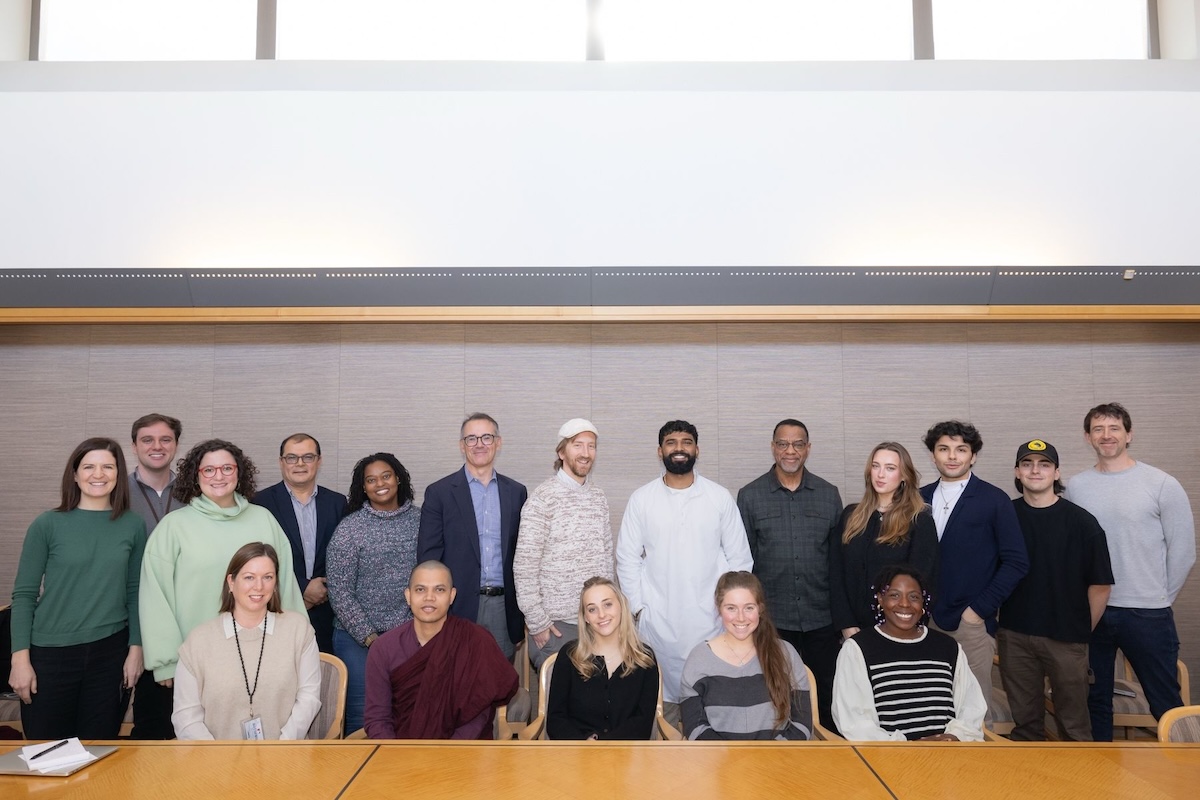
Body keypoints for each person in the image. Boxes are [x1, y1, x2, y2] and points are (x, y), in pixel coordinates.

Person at [1063, 403, 1196, 741]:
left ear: (1129, 434)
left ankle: (1185, 776)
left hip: (1147, 613)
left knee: (1165, 699)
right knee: (1095, 701)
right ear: (1087, 437)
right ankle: (1103, 780)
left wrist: (1160, 595)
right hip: (1093, 611)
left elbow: (1183, 552)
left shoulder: (1161, 484)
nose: (1106, 435)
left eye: (1114, 428)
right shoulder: (1077, 487)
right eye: (1098, 429)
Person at [616, 420, 753, 728]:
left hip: (711, 622)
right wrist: (639, 608)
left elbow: (740, 560)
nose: (679, 448)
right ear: (660, 451)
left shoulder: (719, 498)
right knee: (660, 710)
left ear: (697, 449)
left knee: (710, 707)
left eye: (686, 442)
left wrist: (729, 610)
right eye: (671, 442)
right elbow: (626, 557)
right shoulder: (642, 499)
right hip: (657, 622)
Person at [9, 437, 147, 739]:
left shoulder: (133, 526)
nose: (98, 474)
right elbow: (23, 596)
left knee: (99, 753)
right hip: (50, 654)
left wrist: (135, 649)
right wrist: (19, 660)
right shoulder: (47, 524)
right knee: (47, 754)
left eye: (107, 467)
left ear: (118, 474)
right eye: (89, 467)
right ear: (74, 474)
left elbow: (136, 592)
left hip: (110, 653)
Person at [139, 439, 306, 685]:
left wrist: (298, 647)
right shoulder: (173, 527)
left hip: (262, 657)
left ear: (239, 473)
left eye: (227, 468)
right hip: (195, 661)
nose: (219, 476)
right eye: (209, 470)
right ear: (196, 476)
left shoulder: (264, 520)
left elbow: (286, 589)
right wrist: (166, 662)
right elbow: (155, 597)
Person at [999, 439, 1113, 741]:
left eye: (1044, 464)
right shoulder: (1003, 518)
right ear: (1017, 472)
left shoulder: (1082, 523)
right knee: (1025, 727)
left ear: (1057, 473)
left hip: (1066, 639)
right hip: (1015, 637)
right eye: (1027, 464)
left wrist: (1079, 631)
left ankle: (1081, 787)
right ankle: (1031, 787)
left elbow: (1101, 585)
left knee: (1074, 727)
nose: (1035, 470)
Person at [737, 418, 843, 734]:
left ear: (808, 449)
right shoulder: (750, 495)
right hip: (774, 619)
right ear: (773, 448)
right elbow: (745, 565)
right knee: (774, 694)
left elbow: (837, 560)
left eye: (798, 444)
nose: (790, 451)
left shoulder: (828, 494)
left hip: (821, 617)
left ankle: (830, 758)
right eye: (783, 443)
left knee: (825, 695)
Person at [920, 420, 1028, 722]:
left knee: (974, 714)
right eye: (944, 449)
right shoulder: (918, 498)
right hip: (922, 623)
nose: (952, 456)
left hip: (970, 626)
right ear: (933, 455)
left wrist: (978, 611)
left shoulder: (993, 500)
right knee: (928, 708)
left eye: (961, 449)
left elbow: (1017, 562)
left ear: (973, 456)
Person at [172, 542, 320, 740]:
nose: (259, 586)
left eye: (267, 577)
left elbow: (309, 698)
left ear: (275, 584)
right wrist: (217, 760)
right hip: (216, 763)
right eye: (249, 577)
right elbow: (186, 717)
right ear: (231, 582)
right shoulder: (198, 642)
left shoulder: (299, 630)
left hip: (285, 759)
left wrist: (281, 749)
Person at [362, 561, 519, 739]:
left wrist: (445, 754)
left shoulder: (474, 640)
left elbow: (478, 713)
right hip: (401, 753)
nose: (429, 597)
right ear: (408, 596)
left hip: (464, 753)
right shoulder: (384, 648)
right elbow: (377, 719)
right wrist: (396, 757)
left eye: (439, 590)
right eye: (420, 589)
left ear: (452, 596)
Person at [418, 413, 527, 659]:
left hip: (503, 606)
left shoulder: (517, 492)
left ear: (498, 443)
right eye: (471, 438)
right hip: (456, 605)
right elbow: (428, 558)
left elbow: (524, 555)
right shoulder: (440, 493)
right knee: (454, 684)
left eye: (486, 437)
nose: (479, 444)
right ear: (462, 445)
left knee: (499, 687)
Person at [832, 565, 985, 742]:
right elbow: (855, 722)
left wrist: (953, 737)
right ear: (881, 599)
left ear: (922, 603)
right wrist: (908, 748)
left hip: (949, 756)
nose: (904, 604)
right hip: (889, 759)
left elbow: (971, 705)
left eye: (914, 597)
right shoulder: (858, 648)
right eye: (894, 595)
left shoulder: (948, 647)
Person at [326, 452, 421, 735]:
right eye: (371, 480)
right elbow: (340, 591)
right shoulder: (350, 529)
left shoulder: (422, 521)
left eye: (386, 476)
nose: (380, 483)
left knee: (409, 712)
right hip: (356, 638)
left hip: (410, 635)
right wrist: (370, 638)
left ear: (398, 478)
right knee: (362, 717)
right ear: (363, 488)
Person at [514, 418, 613, 671]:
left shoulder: (598, 497)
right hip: (556, 628)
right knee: (562, 708)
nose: (585, 453)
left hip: (597, 623)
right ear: (561, 452)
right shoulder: (542, 499)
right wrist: (538, 624)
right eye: (577, 445)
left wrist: (609, 610)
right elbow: (525, 567)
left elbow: (606, 558)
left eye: (591, 446)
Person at [680, 571, 812, 740]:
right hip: (719, 763)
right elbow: (695, 728)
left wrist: (769, 758)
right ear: (719, 608)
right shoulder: (698, 660)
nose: (741, 617)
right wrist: (731, 759)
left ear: (760, 609)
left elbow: (802, 724)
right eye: (731, 608)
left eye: (749, 608)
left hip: (778, 761)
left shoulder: (785, 654)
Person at [252, 433, 347, 654]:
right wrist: (303, 588)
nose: (300, 464)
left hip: (325, 613)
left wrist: (321, 590)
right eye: (292, 458)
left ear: (319, 461)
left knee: (323, 680)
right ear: (281, 462)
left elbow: (344, 556)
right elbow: (256, 558)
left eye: (308, 457)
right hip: (277, 608)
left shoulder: (337, 502)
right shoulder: (260, 503)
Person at [831, 442, 938, 636]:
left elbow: (922, 583)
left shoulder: (919, 520)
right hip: (852, 630)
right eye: (875, 466)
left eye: (890, 468)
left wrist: (900, 627)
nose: (880, 474)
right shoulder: (850, 515)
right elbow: (836, 574)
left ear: (904, 475)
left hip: (898, 628)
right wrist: (846, 624)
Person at [126, 412, 183, 739]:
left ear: (175, 445)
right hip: (128, 614)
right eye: (147, 439)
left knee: (176, 713)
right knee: (139, 718)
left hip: (180, 617)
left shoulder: (194, 491)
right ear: (134, 445)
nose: (157, 446)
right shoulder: (115, 490)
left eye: (166, 439)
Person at [546, 577, 659, 740]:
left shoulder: (644, 658)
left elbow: (643, 722)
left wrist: (604, 747)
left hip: (627, 757)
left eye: (608, 604)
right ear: (585, 617)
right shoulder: (569, 655)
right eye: (592, 609)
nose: (601, 615)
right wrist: (584, 746)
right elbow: (556, 719)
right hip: (576, 756)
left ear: (622, 605)